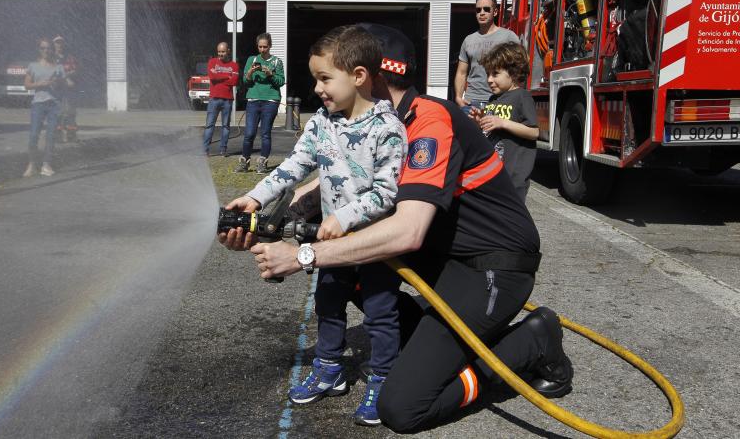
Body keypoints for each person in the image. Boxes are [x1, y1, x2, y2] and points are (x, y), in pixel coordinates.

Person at [220, 24, 573, 434]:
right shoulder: (362, 119)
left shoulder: (427, 122)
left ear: (367, 76)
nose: (321, 89)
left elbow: (406, 232)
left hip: (491, 266)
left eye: (330, 76)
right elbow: (331, 180)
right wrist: (264, 218)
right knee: (351, 272)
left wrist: (302, 256)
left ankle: (533, 341)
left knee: (404, 406)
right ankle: (434, 340)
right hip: (443, 257)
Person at [224, 25, 407, 426]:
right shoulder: (322, 123)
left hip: (372, 243)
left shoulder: (387, 129)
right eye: (316, 79)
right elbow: (294, 166)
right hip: (331, 243)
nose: (317, 88)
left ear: (358, 76)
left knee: (380, 312)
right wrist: (255, 197)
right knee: (328, 303)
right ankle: (329, 369)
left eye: (325, 78)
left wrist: (343, 217)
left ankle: (383, 377)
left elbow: (387, 193)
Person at [474, 42, 539, 201]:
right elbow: (489, 131)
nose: (489, 79)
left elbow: (534, 132)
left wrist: (503, 123)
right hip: (494, 172)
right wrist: (479, 121)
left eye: (495, 74)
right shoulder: (493, 99)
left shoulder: (522, 96)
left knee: (511, 213)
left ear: (514, 73)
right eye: (488, 74)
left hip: (513, 177)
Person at [454, 0, 519, 115]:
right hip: (471, 102)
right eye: (478, 10)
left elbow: (519, 69)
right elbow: (461, 73)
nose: (482, 13)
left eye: (486, 9)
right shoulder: (468, 40)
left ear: (495, 12)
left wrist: (514, 97)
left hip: (500, 101)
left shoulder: (509, 37)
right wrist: (458, 97)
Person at [235, 32, 285, 174]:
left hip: (270, 100)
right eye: (260, 47)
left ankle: (262, 162)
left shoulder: (277, 61)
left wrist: (270, 74)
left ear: (270, 46)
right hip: (253, 100)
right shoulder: (252, 59)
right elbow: (245, 82)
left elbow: (281, 81)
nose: (262, 49)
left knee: (265, 133)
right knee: (249, 133)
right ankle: (244, 162)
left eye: (265, 47)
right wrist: (250, 73)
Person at [22, 38, 72, 177]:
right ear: (39, 50)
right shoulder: (33, 66)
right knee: (34, 135)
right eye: (43, 48)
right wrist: (40, 84)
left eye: (48, 48)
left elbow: (67, 84)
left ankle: (46, 164)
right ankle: (32, 164)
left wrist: (60, 82)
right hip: (38, 104)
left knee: (51, 135)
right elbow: (26, 85)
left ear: (52, 49)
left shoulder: (58, 67)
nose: (46, 50)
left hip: (54, 104)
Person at [203, 42, 239, 156]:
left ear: (228, 51)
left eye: (223, 52)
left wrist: (219, 77)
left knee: (226, 126)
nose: (220, 54)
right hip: (214, 98)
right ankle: (205, 150)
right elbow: (212, 77)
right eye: (219, 52)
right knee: (209, 125)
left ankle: (223, 149)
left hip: (227, 100)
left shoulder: (234, 65)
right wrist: (227, 76)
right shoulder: (212, 62)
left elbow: (234, 81)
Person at [52, 35, 79, 143]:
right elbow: (51, 72)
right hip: (56, 89)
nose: (59, 45)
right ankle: (57, 136)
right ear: (54, 44)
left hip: (69, 90)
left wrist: (65, 75)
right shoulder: (50, 57)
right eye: (57, 42)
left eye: (61, 42)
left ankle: (71, 135)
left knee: (70, 112)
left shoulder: (69, 57)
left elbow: (75, 70)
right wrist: (66, 77)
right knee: (57, 112)